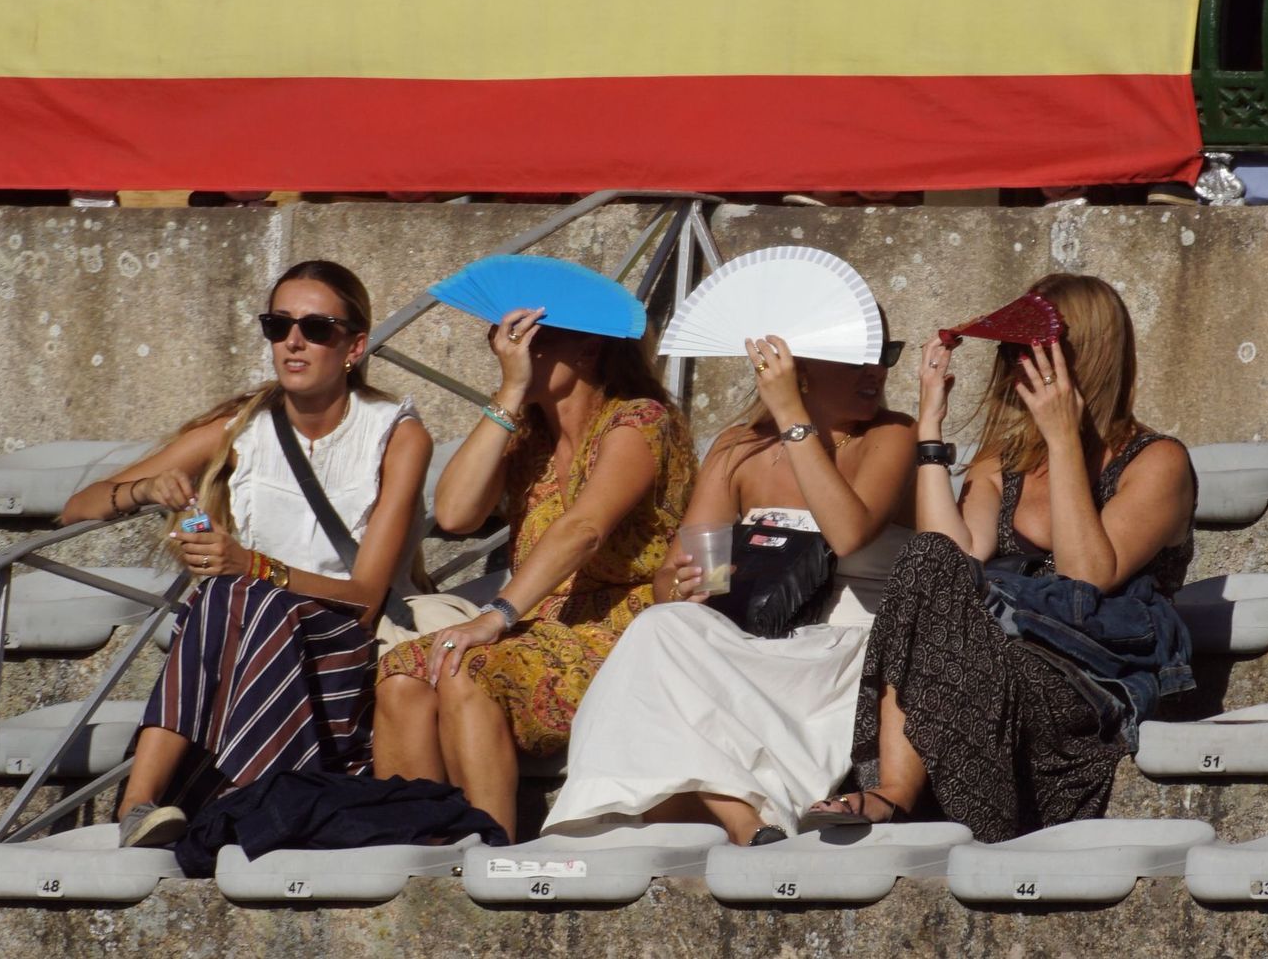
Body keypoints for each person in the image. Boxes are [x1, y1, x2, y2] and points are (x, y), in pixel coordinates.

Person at [808, 273, 1196, 842]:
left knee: (971, 658)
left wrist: (1064, 440)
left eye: (1030, 351)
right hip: (995, 653)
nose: (1014, 365)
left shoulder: (1155, 462)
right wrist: (931, 429)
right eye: (1011, 351)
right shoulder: (1003, 459)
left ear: (1081, 357)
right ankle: (895, 790)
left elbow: (1087, 574)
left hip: (1089, 671)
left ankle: (967, 823)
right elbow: (950, 553)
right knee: (925, 560)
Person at [61, 260, 433, 848]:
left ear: (354, 345)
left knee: (236, 591)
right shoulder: (243, 428)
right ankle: (145, 808)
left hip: (345, 645)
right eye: (278, 324)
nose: (293, 340)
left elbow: (364, 597)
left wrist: (254, 566)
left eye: (316, 328)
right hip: (251, 638)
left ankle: (184, 798)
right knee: (233, 595)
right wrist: (143, 490)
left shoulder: (395, 434)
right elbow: (75, 507)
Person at [543, 326, 915, 846]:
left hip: (841, 654)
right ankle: (742, 815)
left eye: (884, 355)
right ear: (795, 363)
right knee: (661, 624)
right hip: (752, 642)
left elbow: (848, 533)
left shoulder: (891, 435)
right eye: (857, 357)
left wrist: (792, 418)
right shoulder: (739, 447)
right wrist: (685, 585)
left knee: (664, 661)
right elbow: (677, 570)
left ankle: (718, 813)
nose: (876, 370)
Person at [372, 303, 694, 842]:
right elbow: (454, 514)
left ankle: (493, 851)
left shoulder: (639, 421)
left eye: (529, 338)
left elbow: (585, 529)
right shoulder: (528, 433)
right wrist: (508, 395)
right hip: (540, 624)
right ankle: (420, 855)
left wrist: (495, 616)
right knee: (403, 672)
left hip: (625, 632)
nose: (511, 348)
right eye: (502, 336)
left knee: (464, 666)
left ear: (589, 349)